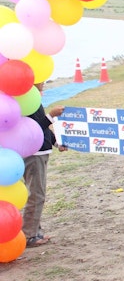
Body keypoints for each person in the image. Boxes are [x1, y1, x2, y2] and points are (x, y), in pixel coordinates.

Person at [23, 82, 67, 248]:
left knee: (37, 193)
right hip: (33, 154)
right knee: (36, 194)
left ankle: (36, 231)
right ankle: (29, 235)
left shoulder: (33, 100)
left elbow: (44, 128)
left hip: (40, 152)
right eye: (41, 82)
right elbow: (35, 128)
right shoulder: (24, 102)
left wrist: (56, 142)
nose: (44, 84)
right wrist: (51, 115)